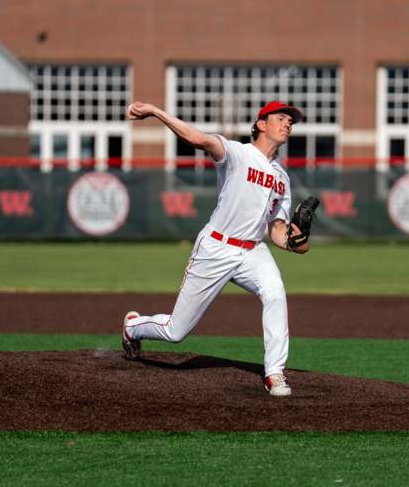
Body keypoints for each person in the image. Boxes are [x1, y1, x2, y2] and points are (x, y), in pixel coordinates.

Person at [121, 100, 311, 397]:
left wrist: (295, 241)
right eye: (281, 118)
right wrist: (156, 112)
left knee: (275, 292)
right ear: (261, 124)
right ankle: (134, 326)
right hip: (217, 246)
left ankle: (274, 373)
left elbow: (276, 230)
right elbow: (198, 139)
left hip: (253, 251)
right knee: (176, 331)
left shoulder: (282, 179)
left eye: (291, 121)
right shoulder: (238, 153)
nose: (288, 124)